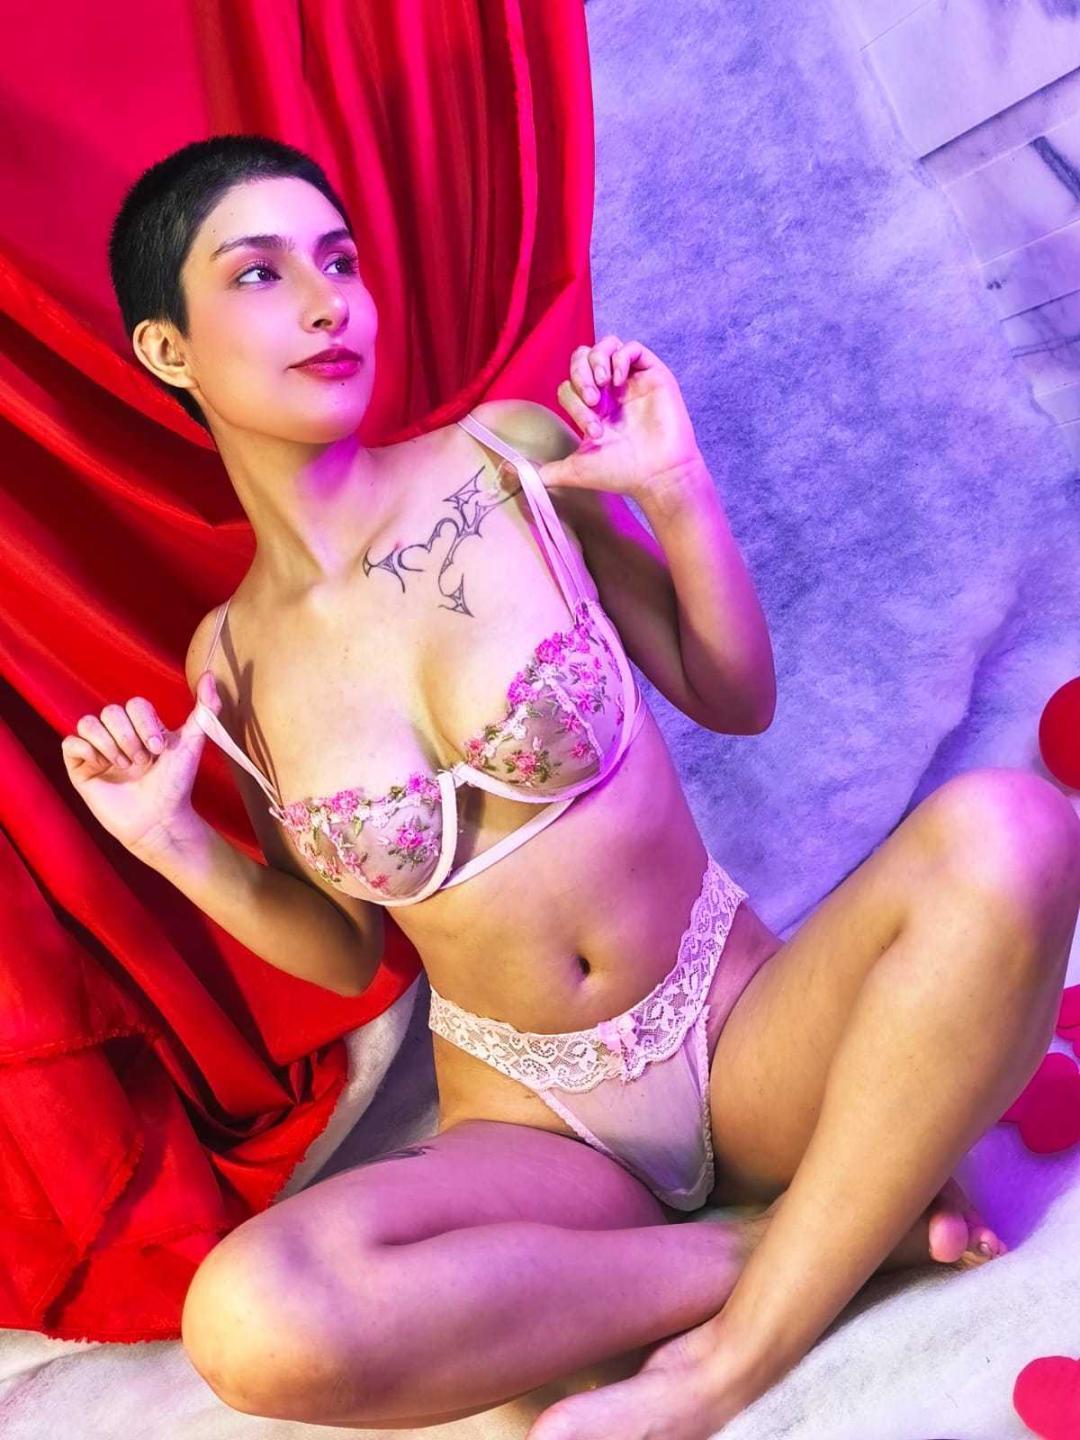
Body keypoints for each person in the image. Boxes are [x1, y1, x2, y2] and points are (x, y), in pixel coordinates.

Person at [61, 134, 1079, 1438]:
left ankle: (728, 1360)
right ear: (168, 348)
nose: (326, 304)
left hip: (740, 1036)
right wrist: (176, 847)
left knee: (1012, 830)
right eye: (259, 274)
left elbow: (734, 695)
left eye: (340, 261)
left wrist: (679, 492)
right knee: (251, 1321)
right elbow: (345, 951)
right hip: (532, 1132)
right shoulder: (231, 659)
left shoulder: (510, 459)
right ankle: (801, 1239)